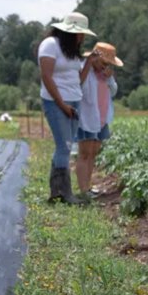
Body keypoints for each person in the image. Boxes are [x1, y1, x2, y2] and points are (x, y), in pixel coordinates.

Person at [37, 11, 95, 203]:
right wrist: (62, 105)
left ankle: (57, 192)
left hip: (74, 100)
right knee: (65, 146)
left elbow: (77, 80)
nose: (83, 37)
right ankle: (65, 193)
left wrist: (89, 63)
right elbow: (46, 76)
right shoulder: (50, 45)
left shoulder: (72, 51)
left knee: (66, 146)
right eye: (80, 33)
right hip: (55, 101)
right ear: (70, 32)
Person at [75, 42, 121, 201]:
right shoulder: (84, 69)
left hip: (101, 117)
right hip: (86, 117)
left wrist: (110, 79)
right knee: (85, 153)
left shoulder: (105, 74)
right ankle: (82, 190)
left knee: (93, 152)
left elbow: (114, 92)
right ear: (94, 58)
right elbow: (78, 86)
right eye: (103, 62)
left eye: (108, 64)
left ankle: (87, 186)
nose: (105, 66)